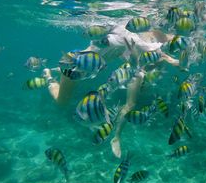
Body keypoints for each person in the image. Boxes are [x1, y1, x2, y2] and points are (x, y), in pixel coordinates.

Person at [43, 24, 179, 158]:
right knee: (62, 103)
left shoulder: (140, 53)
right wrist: (172, 60)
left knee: (132, 99)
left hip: (93, 66)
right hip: (75, 65)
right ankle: (48, 77)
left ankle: (116, 138)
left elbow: (130, 103)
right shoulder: (134, 33)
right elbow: (152, 47)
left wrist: (116, 137)